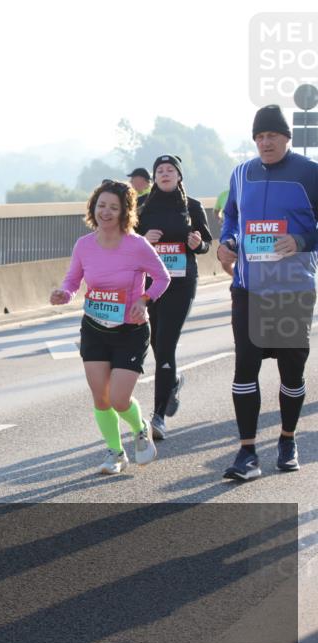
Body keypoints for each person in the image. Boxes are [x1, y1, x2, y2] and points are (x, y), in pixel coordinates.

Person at [217, 105, 318, 481]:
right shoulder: (241, 173)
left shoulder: (309, 174)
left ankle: (288, 440)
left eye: (271, 135)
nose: (265, 142)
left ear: (286, 138)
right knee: (245, 366)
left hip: (292, 288)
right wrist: (226, 241)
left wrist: (302, 238)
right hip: (248, 287)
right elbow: (230, 215)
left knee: (292, 373)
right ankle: (246, 452)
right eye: (259, 137)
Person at [50, 179, 170, 474]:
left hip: (130, 330)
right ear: (93, 207)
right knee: (101, 398)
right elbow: (72, 281)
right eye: (101, 205)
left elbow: (163, 278)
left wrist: (144, 299)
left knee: (119, 399)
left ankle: (140, 428)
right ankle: (115, 453)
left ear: (124, 211)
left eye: (113, 207)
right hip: (94, 328)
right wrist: (64, 294)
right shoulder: (84, 245)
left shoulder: (137, 245)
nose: (105, 212)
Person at [136, 155, 213, 440]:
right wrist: (145, 239)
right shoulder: (142, 207)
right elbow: (127, 242)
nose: (165, 174)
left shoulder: (192, 206)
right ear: (154, 177)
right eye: (160, 170)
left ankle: (157, 417)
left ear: (179, 176)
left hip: (180, 284)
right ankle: (173, 382)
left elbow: (206, 243)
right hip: (149, 283)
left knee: (166, 345)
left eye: (170, 170)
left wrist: (198, 243)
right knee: (156, 342)